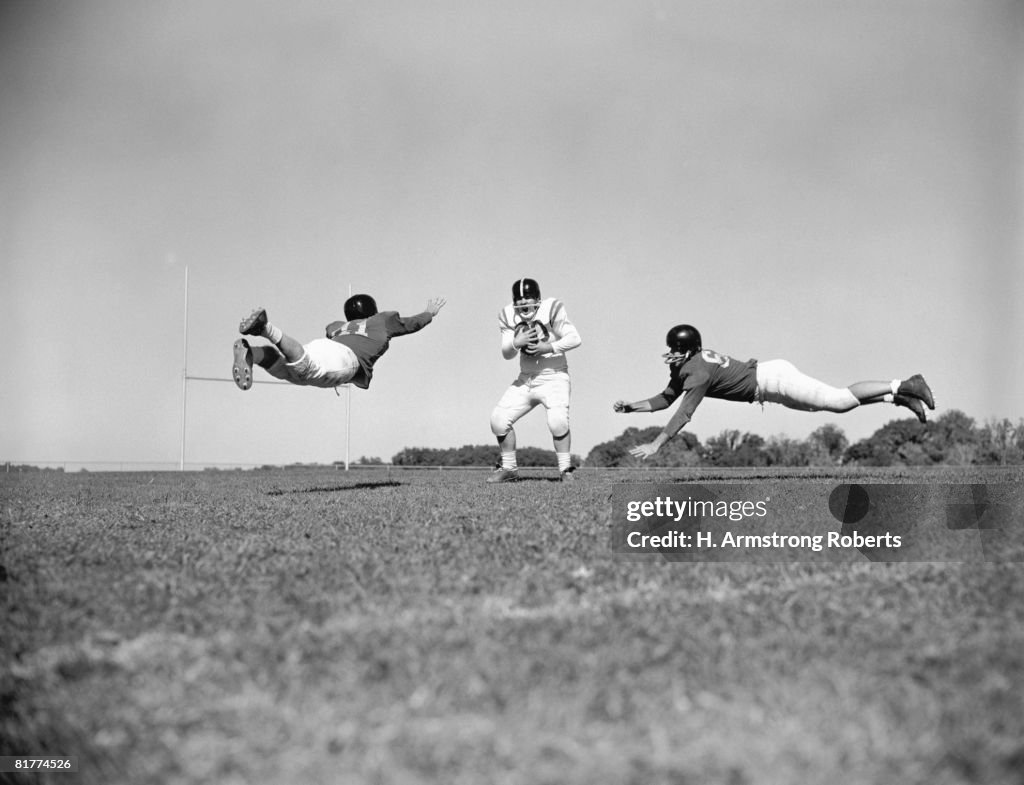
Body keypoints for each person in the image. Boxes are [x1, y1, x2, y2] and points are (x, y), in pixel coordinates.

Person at [614, 324, 935, 460]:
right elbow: (665, 398)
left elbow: (683, 412)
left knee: (837, 401)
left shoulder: (697, 372)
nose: (671, 354)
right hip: (770, 386)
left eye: (676, 349)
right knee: (831, 406)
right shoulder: (690, 364)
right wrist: (631, 408)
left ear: (688, 350)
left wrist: (656, 444)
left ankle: (906, 384)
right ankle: (898, 397)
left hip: (774, 381)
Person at [232, 294, 446, 391]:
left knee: (287, 367)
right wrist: (429, 313)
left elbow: (330, 334)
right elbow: (411, 324)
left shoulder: (336, 327)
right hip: (345, 359)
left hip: (324, 347)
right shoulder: (381, 320)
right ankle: (265, 328)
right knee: (305, 367)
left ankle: (253, 354)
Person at [488, 278, 582, 482]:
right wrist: (515, 342)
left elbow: (574, 338)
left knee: (557, 422)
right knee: (498, 420)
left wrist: (547, 347)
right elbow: (506, 353)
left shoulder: (552, 308)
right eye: (519, 299)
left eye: (528, 298)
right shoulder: (507, 315)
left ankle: (566, 470)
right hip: (527, 378)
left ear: (537, 298)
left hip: (554, 375)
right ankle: (509, 468)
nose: (523, 303)